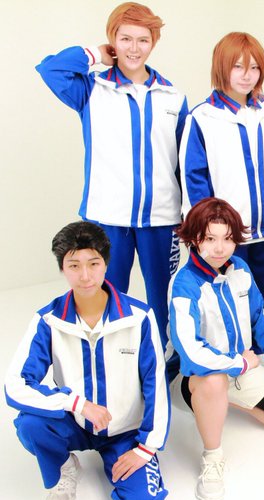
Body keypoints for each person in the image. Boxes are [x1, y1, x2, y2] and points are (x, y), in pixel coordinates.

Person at [35, 2, 188, 348]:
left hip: (162, 218)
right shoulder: (92, 89)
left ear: (153, 43)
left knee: (164, 294)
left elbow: (182, 161)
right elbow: (50, 69)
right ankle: (110, 354)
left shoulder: (173, 97)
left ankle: (164, 355)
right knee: (105, 292)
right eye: (125, 39)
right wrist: (95, 55)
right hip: (107, 217)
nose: (134, 48)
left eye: (143, 40)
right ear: (112, 41)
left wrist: (186, 212)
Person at [5, 222, 169, 500]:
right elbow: (15, 385)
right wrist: (77, 404)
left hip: (124, 432)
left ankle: (125, 460)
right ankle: (64, 466)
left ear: (106, 263)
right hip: (76, 424)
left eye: (93, 263)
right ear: (62, 269)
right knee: (30, 425)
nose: (85, 275)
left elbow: (155, 384)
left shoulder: (138, 318)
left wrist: (146, 448)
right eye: (74, 265)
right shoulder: (49, 320)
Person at [167, 197, 264, 500]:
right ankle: (212, 456)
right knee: (214, 382)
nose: (220, 248)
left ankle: (222, 402)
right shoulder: (184, 284)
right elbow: (190, 351)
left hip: (240, 368)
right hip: (194, 377)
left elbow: (259, 316)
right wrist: (240, 365)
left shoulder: (240, 269)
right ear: (194, 238)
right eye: (210, 239)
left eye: (228, 238)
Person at [180, 32, 264, 326]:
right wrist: (205, 229)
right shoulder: (202, 117)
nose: (247, 75)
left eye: (254, 67)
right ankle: (228, 350)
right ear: (222, 67)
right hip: (225, 234)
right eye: (238, 66)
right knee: (224, 299)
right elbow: (194, 177)